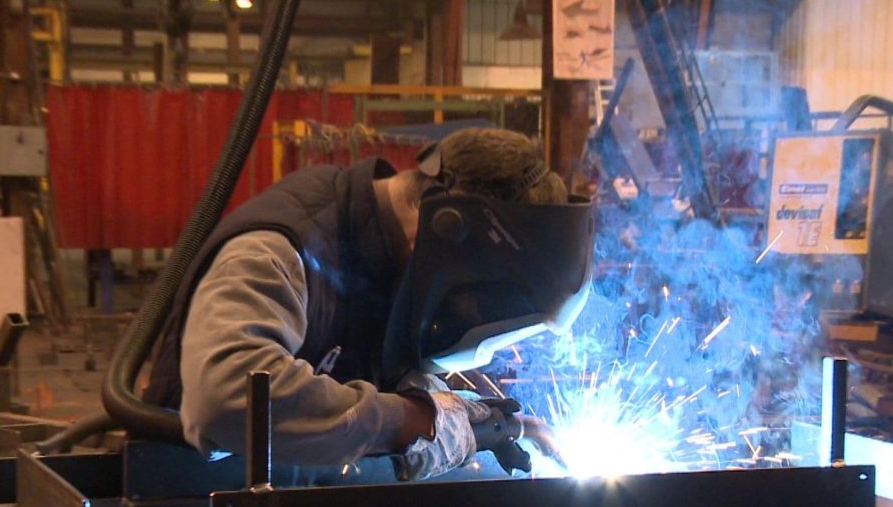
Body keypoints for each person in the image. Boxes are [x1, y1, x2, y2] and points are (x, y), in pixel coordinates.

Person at [143, 127, 594, 480]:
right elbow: (223, 398)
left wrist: (479, 420)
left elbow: (367, 391)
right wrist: (416, 419)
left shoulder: (383, 259)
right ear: (447, 228)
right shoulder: (279, 251)